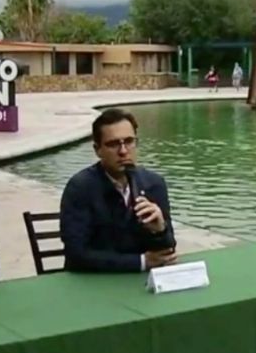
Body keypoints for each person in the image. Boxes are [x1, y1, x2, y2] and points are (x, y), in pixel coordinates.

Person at [60, 108, 177, 272]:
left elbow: (167, 252)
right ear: (97, 150)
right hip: (93, 284)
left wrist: (160, 230)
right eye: (113, 144)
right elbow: (76, 255)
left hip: (139, 285)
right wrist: (141, 261)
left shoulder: (153, 183)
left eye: (129, 141)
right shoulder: (80, 188)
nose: (123, 151)